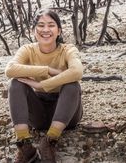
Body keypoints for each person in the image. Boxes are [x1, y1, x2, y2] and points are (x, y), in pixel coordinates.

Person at [5, 8, 83, 163]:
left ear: (59, 31)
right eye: (40, 25)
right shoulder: (27, 50)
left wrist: (42, 84)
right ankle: (24, 145)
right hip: (38, 114)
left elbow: (77, 72)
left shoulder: (68, 49)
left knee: (72, 84)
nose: (45, 30)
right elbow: (10, 70)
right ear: (34, 31)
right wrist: (47, 70)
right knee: (15, 83)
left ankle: (49, 142)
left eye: (51, 25)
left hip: (68, 112)